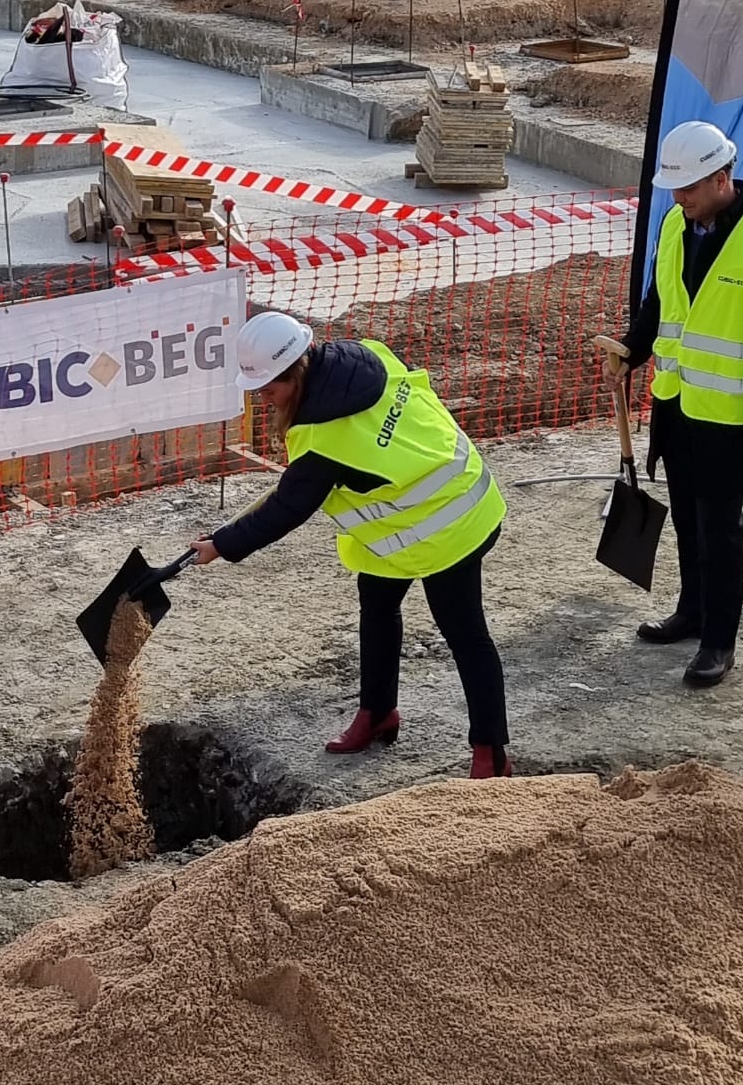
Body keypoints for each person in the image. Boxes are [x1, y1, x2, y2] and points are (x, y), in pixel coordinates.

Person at [190, 311, 514, 776]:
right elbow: (307, 483)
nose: (264, 400)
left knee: (465, 633)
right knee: (377, 604)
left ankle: (491, 753)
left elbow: (288, 509)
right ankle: (378, 713)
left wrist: (220, 547)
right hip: (430, 501)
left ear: (296, 370)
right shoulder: (364, 356)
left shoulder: (322, 440)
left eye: (268, 389)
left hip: (450, 521)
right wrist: (226, 535)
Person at [602, 119, 743, 688]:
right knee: (689, 521)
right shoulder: (675, 222)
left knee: (721, 528)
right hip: (676, 405)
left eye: (689, 188)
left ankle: (719, 640)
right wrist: (631, 349)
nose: (679, 198)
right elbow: (660, 302)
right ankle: (691, 612)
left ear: (723, 178)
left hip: (730, 418)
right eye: (674, 188)